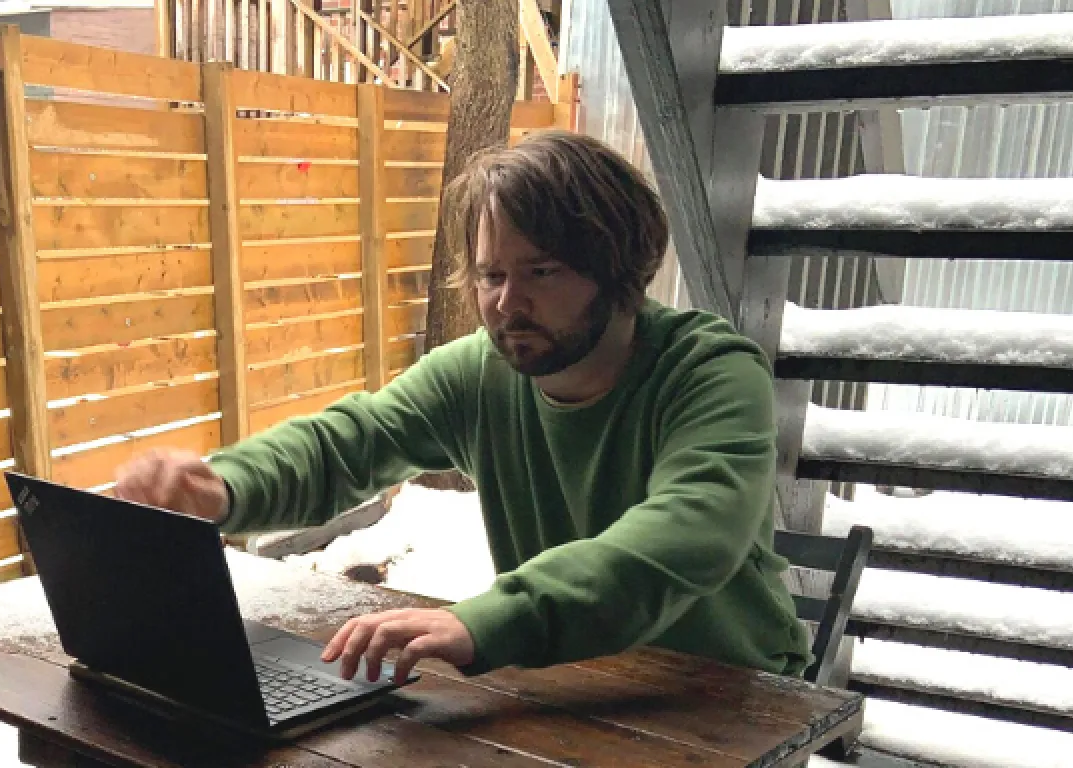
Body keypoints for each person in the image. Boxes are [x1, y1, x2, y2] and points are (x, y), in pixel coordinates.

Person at [113, 130, 811, 686]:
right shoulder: (480, 373)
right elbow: (351, 443)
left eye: (541, 271)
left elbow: (689, 530)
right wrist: (223, 486)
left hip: (727, 692)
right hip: (565, 678)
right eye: (491, 274)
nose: (508, 302)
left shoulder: (710, 374)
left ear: (618, 266)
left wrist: (491, 622)